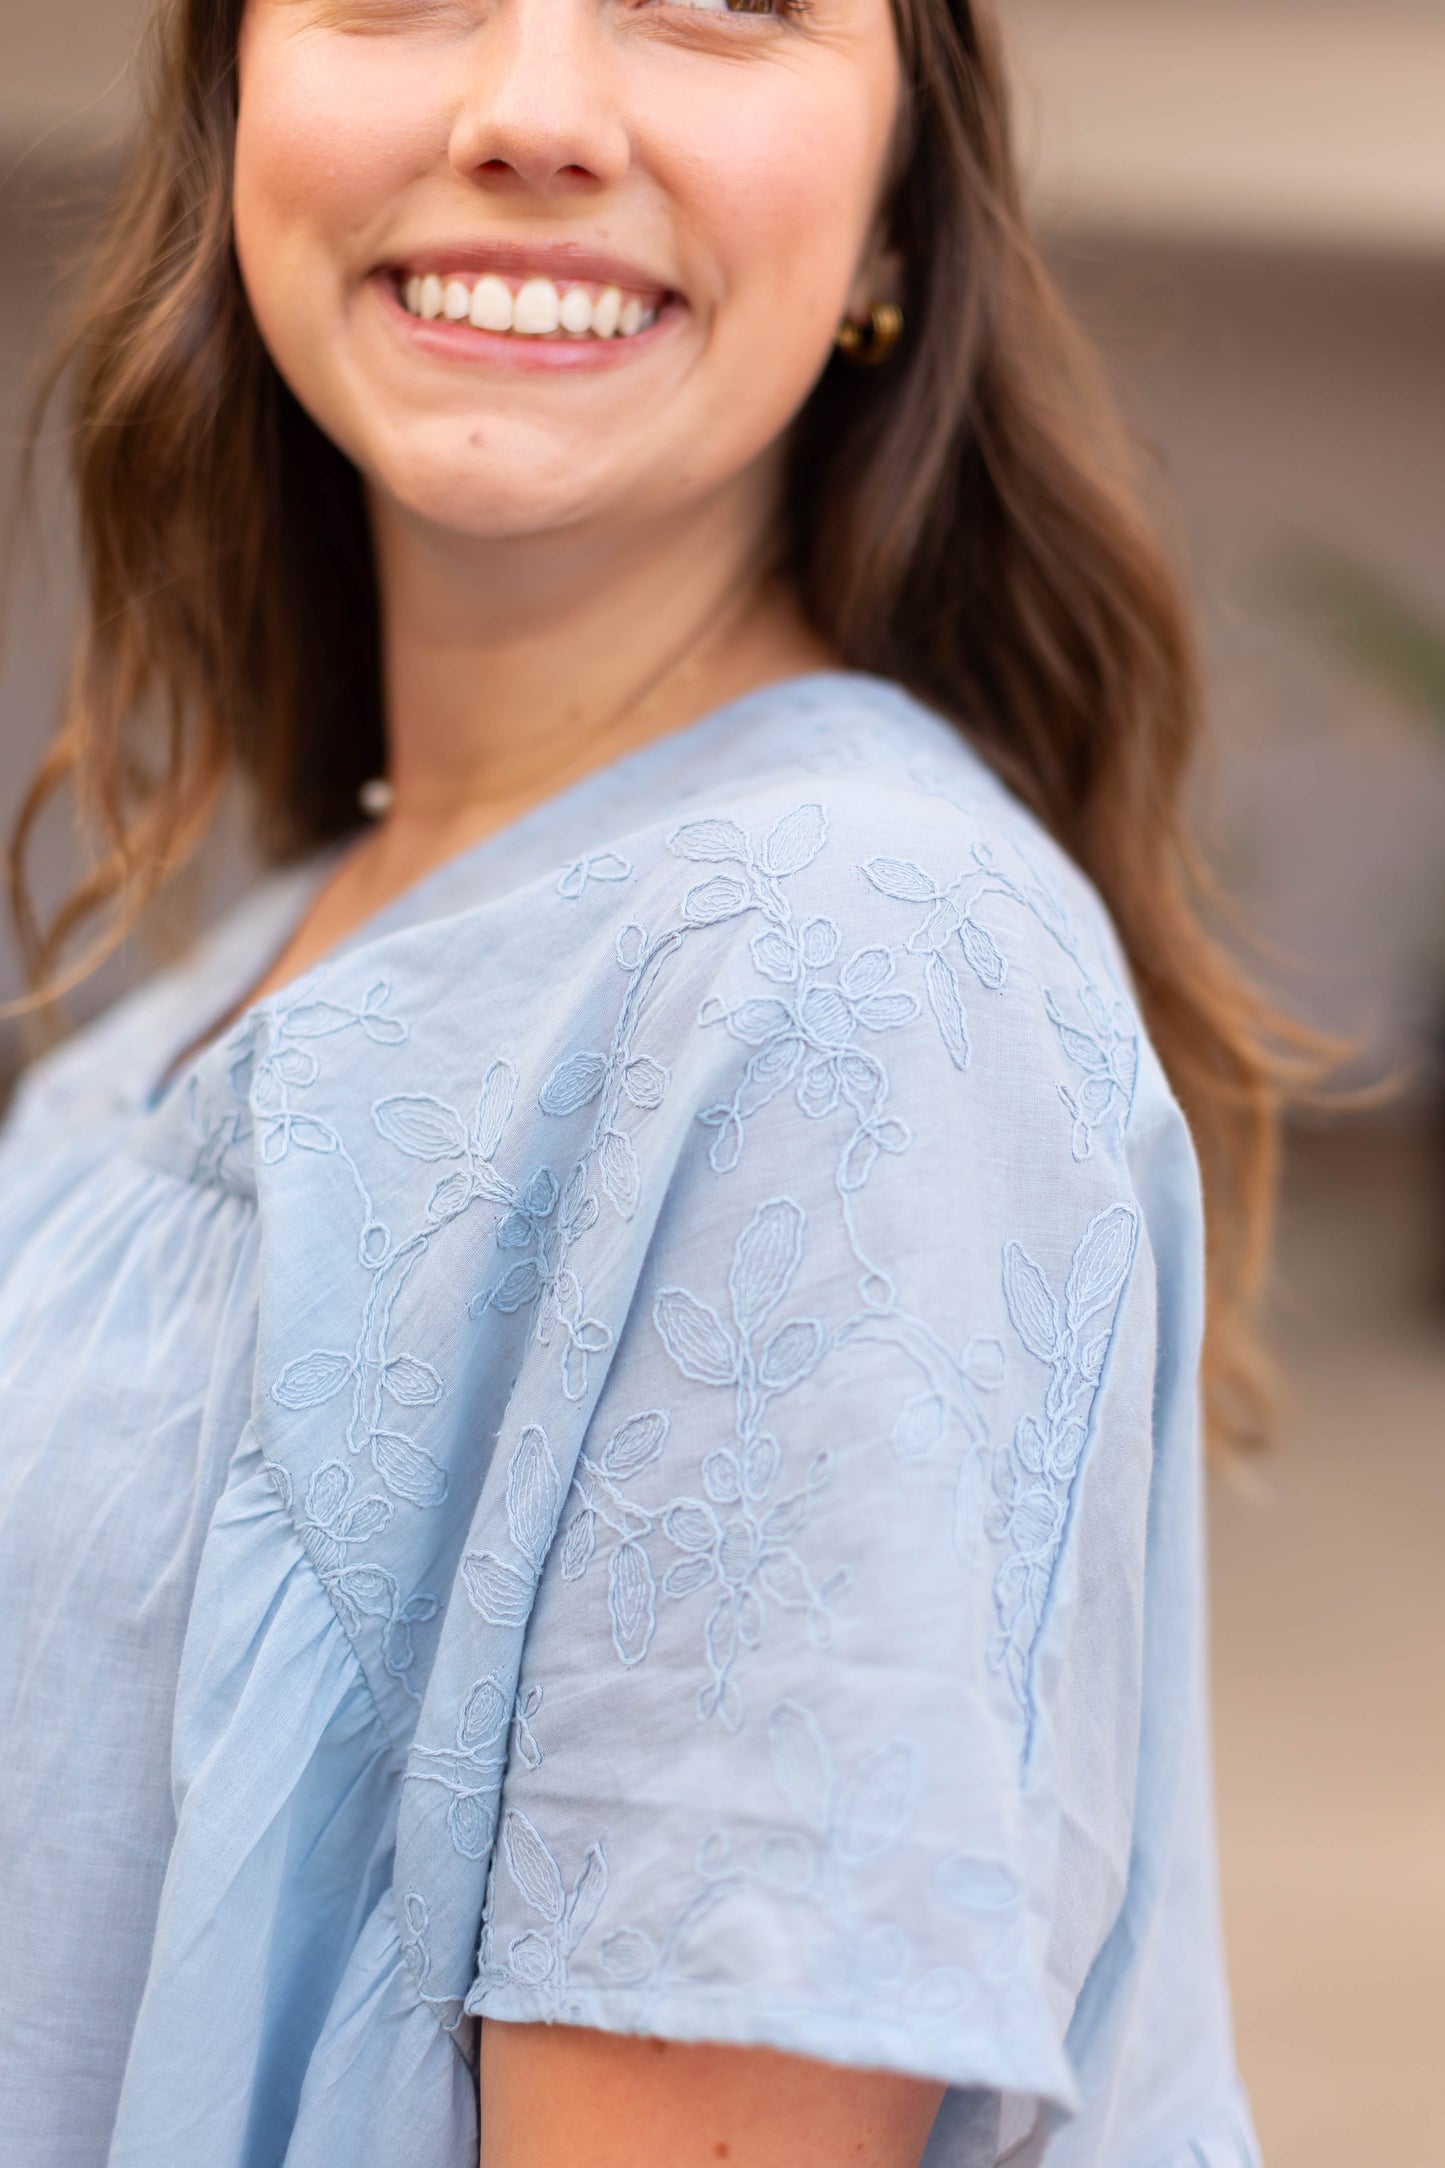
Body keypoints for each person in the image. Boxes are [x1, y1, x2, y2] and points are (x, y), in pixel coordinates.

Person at [0, 1, 1291, 2163]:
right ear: (236, 102)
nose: (531, 112)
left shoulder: (844, 975)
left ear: (895, 213)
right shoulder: (266, 948)